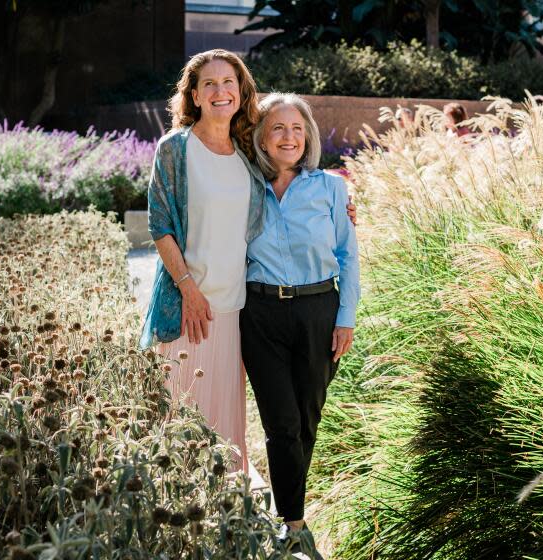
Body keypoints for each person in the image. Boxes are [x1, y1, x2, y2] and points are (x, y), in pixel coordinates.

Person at [140, 50, 357, 474]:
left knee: (224, 432)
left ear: (242, 93)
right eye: (210, 84)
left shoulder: (246, 154)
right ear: (195, 95)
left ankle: (223, 525)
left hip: (239, 312)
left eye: (229, 82)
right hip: (190, 309)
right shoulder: (176, 149)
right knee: (182, 423)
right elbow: (160, 225)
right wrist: (188, 290)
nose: (221, 91)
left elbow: (289, 190)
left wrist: (342, 207)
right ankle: (176, 524)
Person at [240, 92, 360, 555]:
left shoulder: (331, 188)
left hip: (318, 311)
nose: (288, 137)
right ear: (262, 139)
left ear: (307, 136)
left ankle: (288, 515)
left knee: (306, 419)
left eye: (297, 129)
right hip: (260, 314)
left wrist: (345, 317)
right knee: (282, 422)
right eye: (277, 129)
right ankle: (293, 526)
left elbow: (348, 256)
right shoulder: (246, 186)